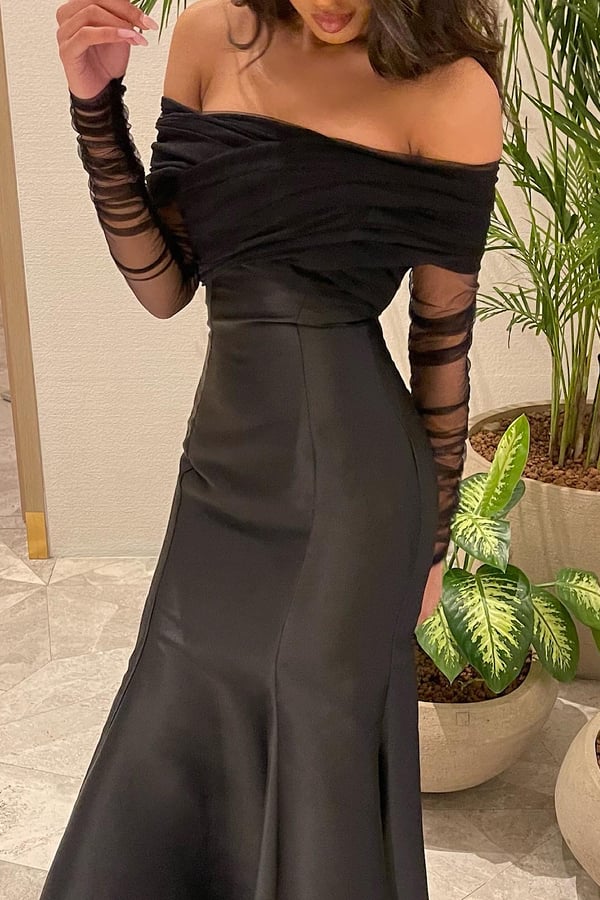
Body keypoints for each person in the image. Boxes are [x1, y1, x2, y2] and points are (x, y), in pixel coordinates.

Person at [44, 0, 504, 896]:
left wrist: (435, 541)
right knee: (177, 709)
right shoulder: (209, 37)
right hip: (221, 469)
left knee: (311, 739)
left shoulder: (453, 91)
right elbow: (167, 286)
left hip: (355, 492)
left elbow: (441, 338)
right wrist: (94, 106)